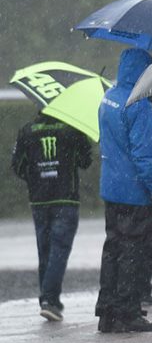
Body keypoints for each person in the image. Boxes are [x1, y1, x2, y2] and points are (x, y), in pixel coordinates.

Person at [94, 48, 152, 333]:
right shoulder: (139, 106)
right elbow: (145, 157)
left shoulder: (109, 98)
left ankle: (107, 310)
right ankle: (128, 311)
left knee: (112, 249)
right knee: (133, 252)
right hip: (135, 193)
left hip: (111, 188)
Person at [11, 112, 92, 321]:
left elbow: (17, 166)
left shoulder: (27, 131)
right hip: (66, 199)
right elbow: (85, 161)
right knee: (59, 250)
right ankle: (49, 299)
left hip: (39, 200)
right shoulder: (72, 129)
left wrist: (35, 179)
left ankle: (49, 300)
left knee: (44, 250)